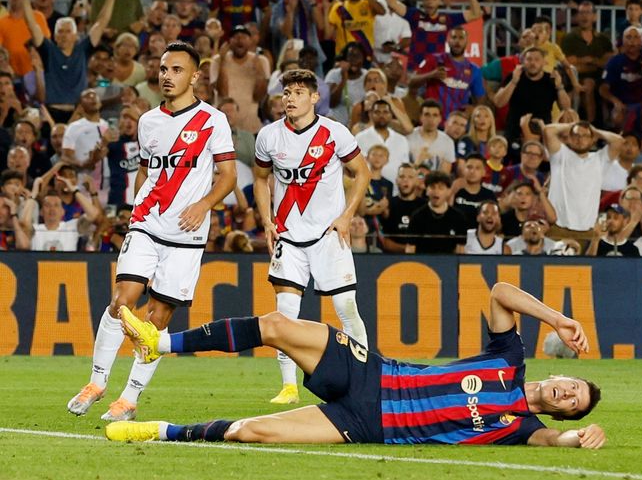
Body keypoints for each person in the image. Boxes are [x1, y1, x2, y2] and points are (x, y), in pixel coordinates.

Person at [106, 282, 605, 449]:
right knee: (277, 323)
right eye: (572, 387)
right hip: (373, 373)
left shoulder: (521, 427)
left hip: (368, 424)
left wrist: (578, 438)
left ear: (560, 414)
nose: (566, 396)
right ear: (560, 375)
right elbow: (500, 293)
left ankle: (164, 432)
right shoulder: (508, 360)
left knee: (252, 433)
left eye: (572, 406)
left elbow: (555, 442)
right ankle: (160, 341)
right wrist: (558, 319)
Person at [66, 42, 236, 421]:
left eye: (176, 70)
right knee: (122, 301)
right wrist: (136, 206)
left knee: (156, 320)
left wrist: (204, 204)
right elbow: (146, 170)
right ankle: (97, 381)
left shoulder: (213, 120)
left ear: (194, 76)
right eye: (162, 69)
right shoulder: (148, 121)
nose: (167, 76)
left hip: (187, 235)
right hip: (147, 222)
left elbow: (228, 175)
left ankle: (129, 399)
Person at [253, 68, 370, 405]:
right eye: (287, 92)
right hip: (288, 238)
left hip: (327, 234)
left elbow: (362, 172)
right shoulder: (269, 137)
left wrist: (347, 216)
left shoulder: (335, 133)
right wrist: (266, 220)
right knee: (285, 312)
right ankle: (289, 387)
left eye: (298, 92)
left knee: (346, 307)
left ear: (315, 97)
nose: (290, 98)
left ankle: (363, 378)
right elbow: (261, 178)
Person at [543, 121, 623, 243]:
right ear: (569, 138)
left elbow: (618, 141)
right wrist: (572, 125)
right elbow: (548, 131)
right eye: (576, 135)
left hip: (587, 231)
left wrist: (595, 131)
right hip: (558, 228)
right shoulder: (560, 155)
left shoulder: (599, 160)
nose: (580, 139)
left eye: (585, 136)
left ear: (593, 140)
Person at [406, 171, 467, 254]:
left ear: (448, 191)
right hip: (423, 265)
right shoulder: (417, 216)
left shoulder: (458, 217)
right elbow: (410, 248)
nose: (436, 191)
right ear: (427, 190)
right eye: (432, 187)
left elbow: (460, 250)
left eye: (441, 188)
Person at [380, 163, 425, 253]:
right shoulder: (388, 205)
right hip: (391, 258)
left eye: (410, 177)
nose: (405, 180)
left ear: (417, 181)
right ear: (396, 180)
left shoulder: (425, 206)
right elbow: (383, 240)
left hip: (423, 259)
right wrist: (405, 249)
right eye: (402, 177)